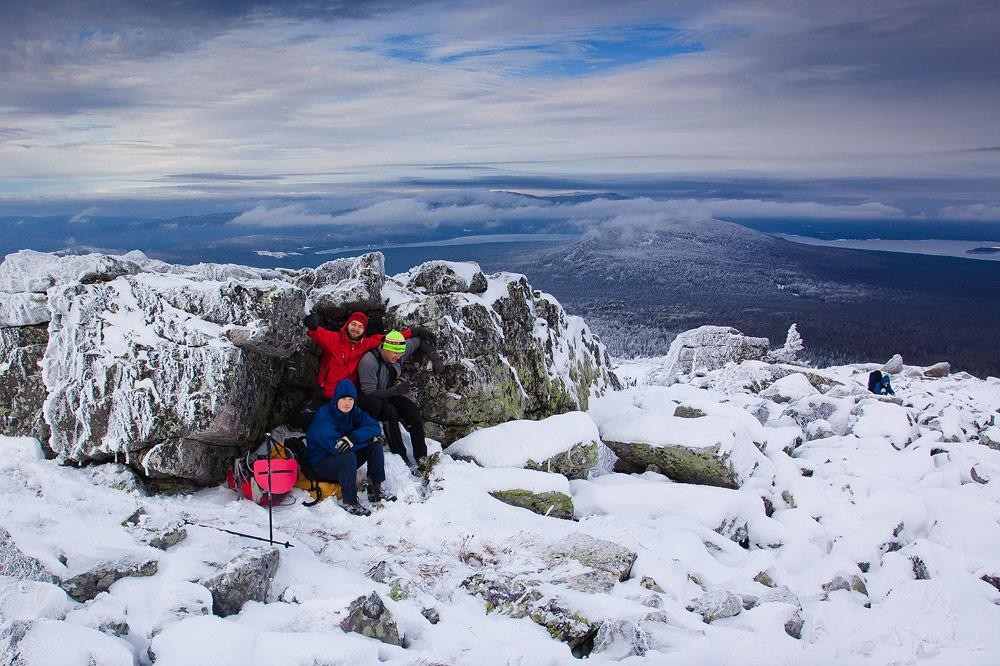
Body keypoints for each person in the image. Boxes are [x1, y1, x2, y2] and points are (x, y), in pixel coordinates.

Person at [305, 379, 396, 516]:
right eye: (343, 398)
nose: (347, 403)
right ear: (336, 398)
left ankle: (375, 488)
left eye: (350, 399)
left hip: (342, 462)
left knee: (375, 444)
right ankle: (350, 502)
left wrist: (354, 438)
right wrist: (364, 439)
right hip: (322, 464)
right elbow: (338, 447)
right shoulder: (324, 416)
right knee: (349, 456)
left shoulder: (354, 412)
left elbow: (374, 426)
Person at [357, 329, 444, 469]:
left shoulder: (398, 352)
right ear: (385, 348)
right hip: (372, 400)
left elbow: (418, 342)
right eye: (394, 352)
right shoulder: (368, 362)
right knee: (390, 413)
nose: (397, 356)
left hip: (390, 393)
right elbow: (369, 393)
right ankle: (400, 455)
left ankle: (421, 456)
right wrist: (395, 390)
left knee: (412, 410)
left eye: (400, 352)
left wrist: (435, 358)